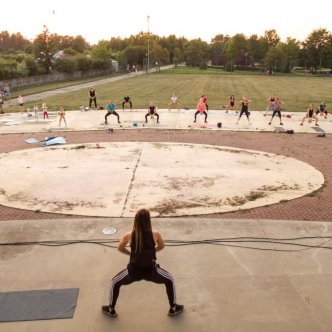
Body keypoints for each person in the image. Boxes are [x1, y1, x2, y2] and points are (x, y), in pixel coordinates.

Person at [102, 209, 183, 318]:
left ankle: (111, 309)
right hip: (151, 271)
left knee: (114, 282)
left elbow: (120, 248)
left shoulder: (129, 235)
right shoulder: (155, 234)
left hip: (134, 272)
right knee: (170, 280)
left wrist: (131, 254)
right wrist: (152, 252)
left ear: (135, 221)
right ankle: (173, 308)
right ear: (148, 221)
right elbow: (161, 246)